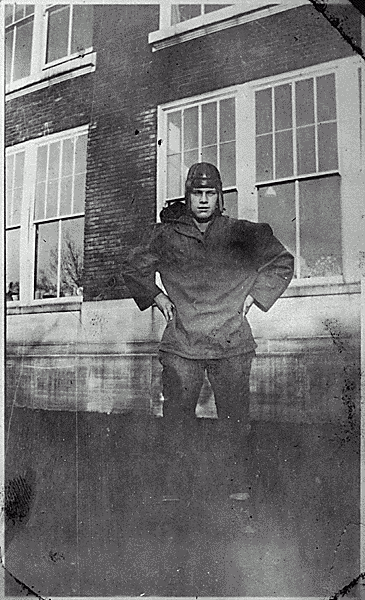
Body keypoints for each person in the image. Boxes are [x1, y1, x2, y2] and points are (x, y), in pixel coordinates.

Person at [123, 162, 294, 503]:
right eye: (196, 194)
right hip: (183, 342)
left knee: (234, 422)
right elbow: (132, 266)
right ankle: (176, 493)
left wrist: (253, 296)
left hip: (230, 342)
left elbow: (281, 261)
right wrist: (156, 295)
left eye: (209, 194)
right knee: (177, 423)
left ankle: (238, 490)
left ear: (219, 197)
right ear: (187, 197)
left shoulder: (242, 233)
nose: (203, 201)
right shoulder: (164, 235)